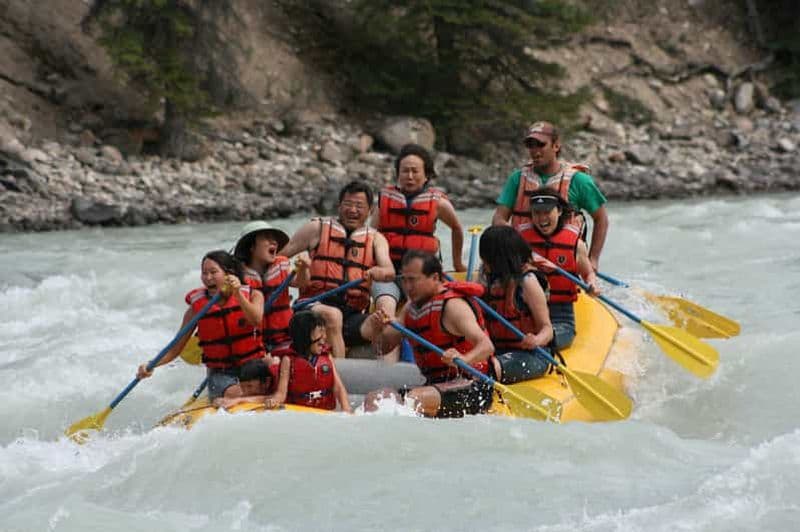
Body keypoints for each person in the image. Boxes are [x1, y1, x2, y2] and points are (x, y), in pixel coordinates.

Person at [365, 250, 494, 418]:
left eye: (413, 280)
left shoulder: (452, 306)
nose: (408, 287)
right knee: (374, 399)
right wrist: (377, 329)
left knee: (413, 400)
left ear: (434, 278)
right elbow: (381, 349)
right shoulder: (411, 309)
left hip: (473, 386)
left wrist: (464, 359)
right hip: (434, 385)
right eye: (404, 280)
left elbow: (486, 346)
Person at [279, 181, 395, 358]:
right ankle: (336, 378)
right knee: (333, 316)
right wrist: (295, 271)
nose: (353, 210)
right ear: (339, 206)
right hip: (311, 307)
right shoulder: (316, 228)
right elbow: (281, 256)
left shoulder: (376, 239)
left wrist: (379, 272)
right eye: (348, 204)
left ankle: (379, 373)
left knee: (384, 325)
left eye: (359, 206)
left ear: (370, 210)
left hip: (351, 314)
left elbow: (389, 271)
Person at [137, 250, 267, 402]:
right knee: (236, 394)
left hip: (252, 367)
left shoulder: (253, 295)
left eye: (213, 272)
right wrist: (151, 365)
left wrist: (237, 294)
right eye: (204, 273)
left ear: (229, 274)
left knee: (258, 386)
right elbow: (174, 349)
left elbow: (256, 320)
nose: (208, 278)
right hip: (221, 373)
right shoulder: (196, 310)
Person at [491, 121, 609, 271]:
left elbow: (601, 219)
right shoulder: (517, 178)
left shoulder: (579, 180)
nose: (535, 150)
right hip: (525, 262)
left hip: (564, 262)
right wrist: (516, 244)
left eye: (541, 145)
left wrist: (593, 259)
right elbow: (498, 218)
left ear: (556, 146)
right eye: (530, 145)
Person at [371, 144, 467, 317]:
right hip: (388, 274)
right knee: (385, 308)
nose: (409, 176)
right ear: (397, 173)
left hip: (422, 275)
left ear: (426, 175)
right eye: (404, 171)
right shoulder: (383, 201)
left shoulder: (438, 202)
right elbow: (370, 236)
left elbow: (457, 228)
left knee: (414, 309)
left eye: (415, 171)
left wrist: (458, 263)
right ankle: (387, 335)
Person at [519, 189, 600, 349]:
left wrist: (591, 284)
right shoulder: (519, 240)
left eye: (547, 212)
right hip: (526, 316)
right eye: (536, 213)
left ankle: (540, 343)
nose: (542, 219)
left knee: (543, 341)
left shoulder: (575, 243)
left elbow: (588, 273)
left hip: (560, 318)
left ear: (560, 211)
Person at [479, 225, 554, 383]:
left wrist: (536, 340)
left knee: (488, 368)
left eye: (486, 257)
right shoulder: (486, 277)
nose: (483, 262)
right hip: (497, 351)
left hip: (532, 355)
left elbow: (547, 329)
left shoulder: (528, 283)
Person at [233, 220, 309, 358]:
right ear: (251, 246)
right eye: (266, 238)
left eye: (274, 239)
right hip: (253, 343)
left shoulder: (281, 265)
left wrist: (303, 268)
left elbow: (301, 282)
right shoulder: (238, 276)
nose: (273, 242)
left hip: (283, 338)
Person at [263, 310, 352, 412]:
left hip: (325, 412)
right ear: (304, 336)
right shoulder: (288, 360)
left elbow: (338, 388)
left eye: (324, 333)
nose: (324, 338)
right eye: (320, 333)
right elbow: (281, 393)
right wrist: (274, 400)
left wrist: (346, 408)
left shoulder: (327, 357)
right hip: (300, 413)